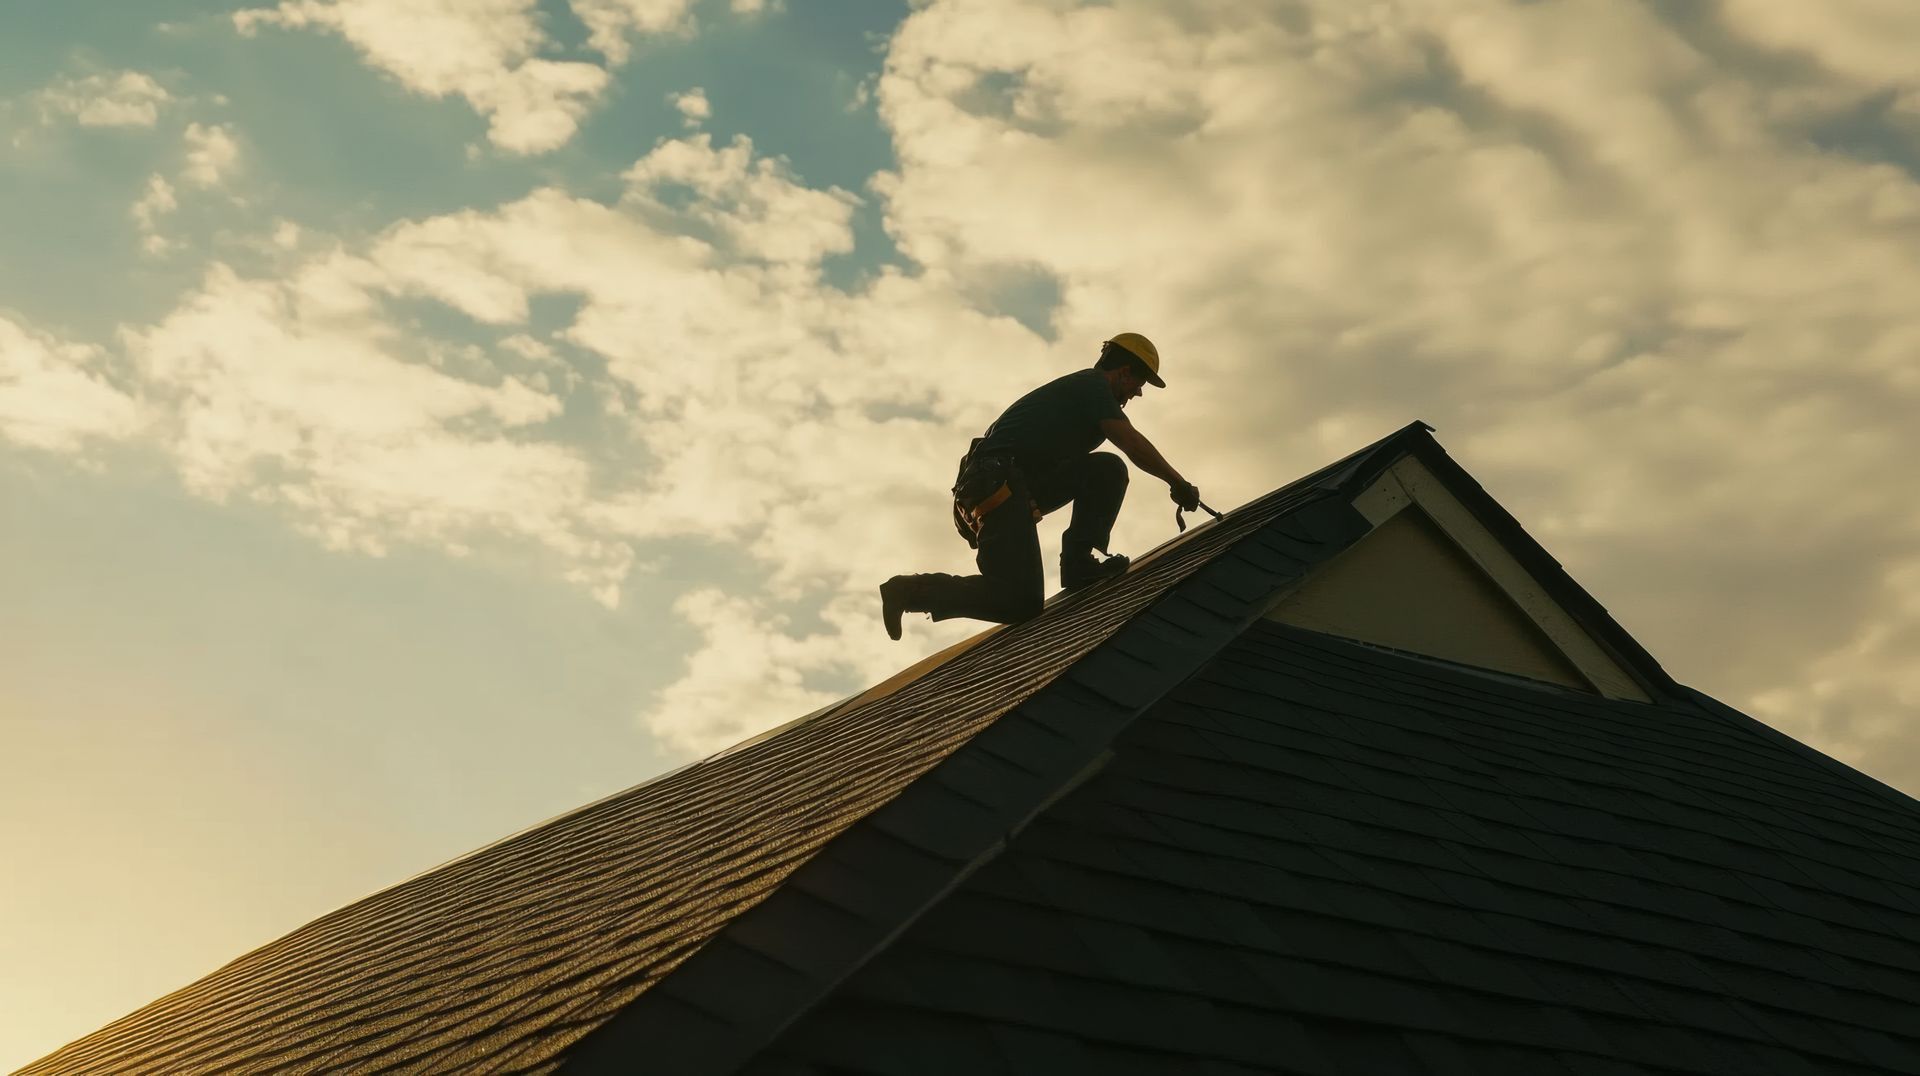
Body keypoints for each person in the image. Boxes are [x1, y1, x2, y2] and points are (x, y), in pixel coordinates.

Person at [880, 332, 1200, 640]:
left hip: (1008, 483)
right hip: (994, 483)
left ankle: (1077, 564)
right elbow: (1130, 442)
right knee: (1019, 600)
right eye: (1139, 383)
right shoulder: (1092, 386)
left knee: (1106, 469)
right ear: (1124, 372)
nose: (1138, 393)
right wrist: (1178, 483)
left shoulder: (1082, 393)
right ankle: (910, 591)